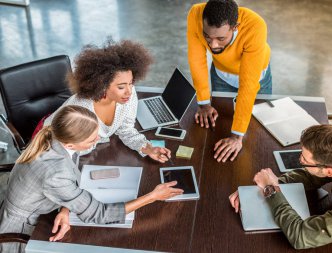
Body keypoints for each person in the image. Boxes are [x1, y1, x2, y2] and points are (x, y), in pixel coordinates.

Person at [0, 105, 183, 253]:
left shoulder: (55, 137)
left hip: (41, 207)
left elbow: (68, 177)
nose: (97, 141)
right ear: (71, 144)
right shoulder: (56, 172)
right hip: (23, 231)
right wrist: (153, 196)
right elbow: (99, 214)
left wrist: (65, 208)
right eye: (91, 140)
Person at [229, 124, 332, 252]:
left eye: (304, 160)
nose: (299, 159)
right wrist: (265, 187)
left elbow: (300, 236)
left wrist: (271, 190)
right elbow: (313, 174)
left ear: (329, 170)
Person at [44, 39, 170, 162]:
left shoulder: (128, 96)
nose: (129, 91)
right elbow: (61, 147)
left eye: (131, 83)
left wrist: (149, 149)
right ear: (102, 85)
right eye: (121, 87)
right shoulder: (81, 108)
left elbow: (126, 130)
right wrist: (96, 142)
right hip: (51, 145)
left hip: (88, 150)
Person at [187, 0, 272, 163]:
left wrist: (236, 137)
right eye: (207, 37)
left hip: (256, 77)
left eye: (220, 38)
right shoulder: (196, 14)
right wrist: (204, 103)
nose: (213, 45)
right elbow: (196, 60)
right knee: (219, 124)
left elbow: (248, 85)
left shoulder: (255, 26)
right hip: (221, 74)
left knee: (256, 130)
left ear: (235, 27)